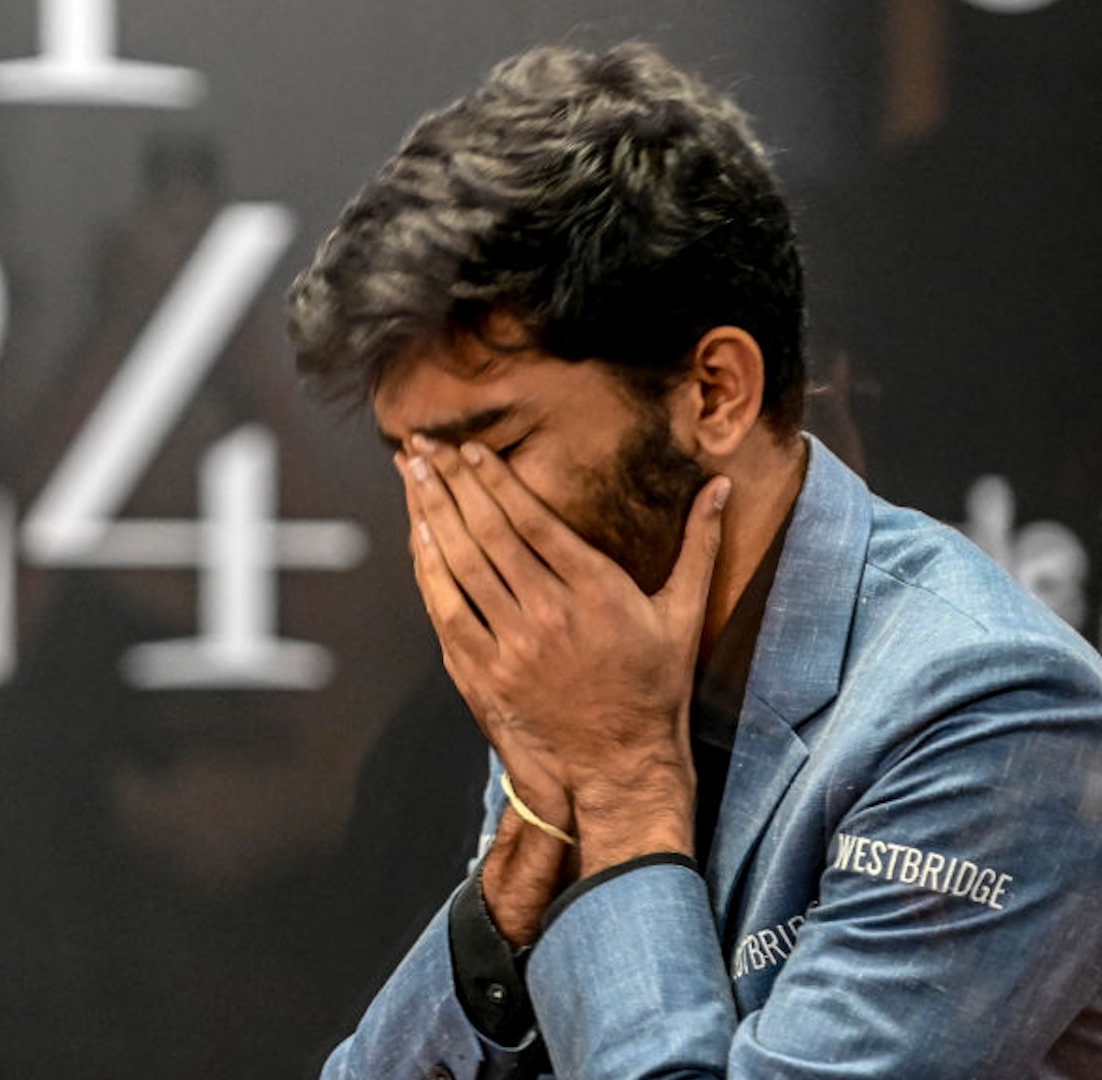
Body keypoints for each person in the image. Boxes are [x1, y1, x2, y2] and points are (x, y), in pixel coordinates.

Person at [286, 41, 1102, 1079]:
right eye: (412, 464)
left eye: (494, 450)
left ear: (715, 392)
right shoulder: (595, 634)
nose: (452, 525)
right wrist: (517, 881)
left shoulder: (994, 711)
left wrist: (623, 787)